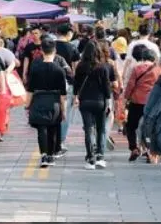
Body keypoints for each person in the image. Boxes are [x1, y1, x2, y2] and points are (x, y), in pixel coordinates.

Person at [26, 37, 67, 168]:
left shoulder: (35, 68)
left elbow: (30, 90)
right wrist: (63, 109)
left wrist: (27, 105)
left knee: (41, 129)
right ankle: (50, 155)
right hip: (54, 101)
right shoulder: (59, 70)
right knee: (53, 128)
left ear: (42, 51)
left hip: (38, 100)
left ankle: (44, 155)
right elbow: (63, 93)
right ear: (54, 50)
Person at [74, 41, 112, 170]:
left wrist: (75, 96)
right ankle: (100, 157)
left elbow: (76, 85)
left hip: (85, 101)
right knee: (101, 129)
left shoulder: (80, 66)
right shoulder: (102, 67)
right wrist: (108, 100)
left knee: (88, 129)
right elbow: (107, 87)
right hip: (100, 101)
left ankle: (90, 158)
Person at [124, 47, 161, 162]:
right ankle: (150, 151)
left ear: (143, 57)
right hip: (153, 103)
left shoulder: (137, 68)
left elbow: (131, 85)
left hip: (137, 101)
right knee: (151, 127)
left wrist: (126, 97)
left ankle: (134, 148)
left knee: (131, 126)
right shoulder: (159, 70)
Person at [55, 24, 80, 150]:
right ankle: (61, 141)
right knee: (65, 114)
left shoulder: (50, 46)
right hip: (67, 84)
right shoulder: (72, 48)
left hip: (50, 84)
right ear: (69, 33)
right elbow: (76, 70)